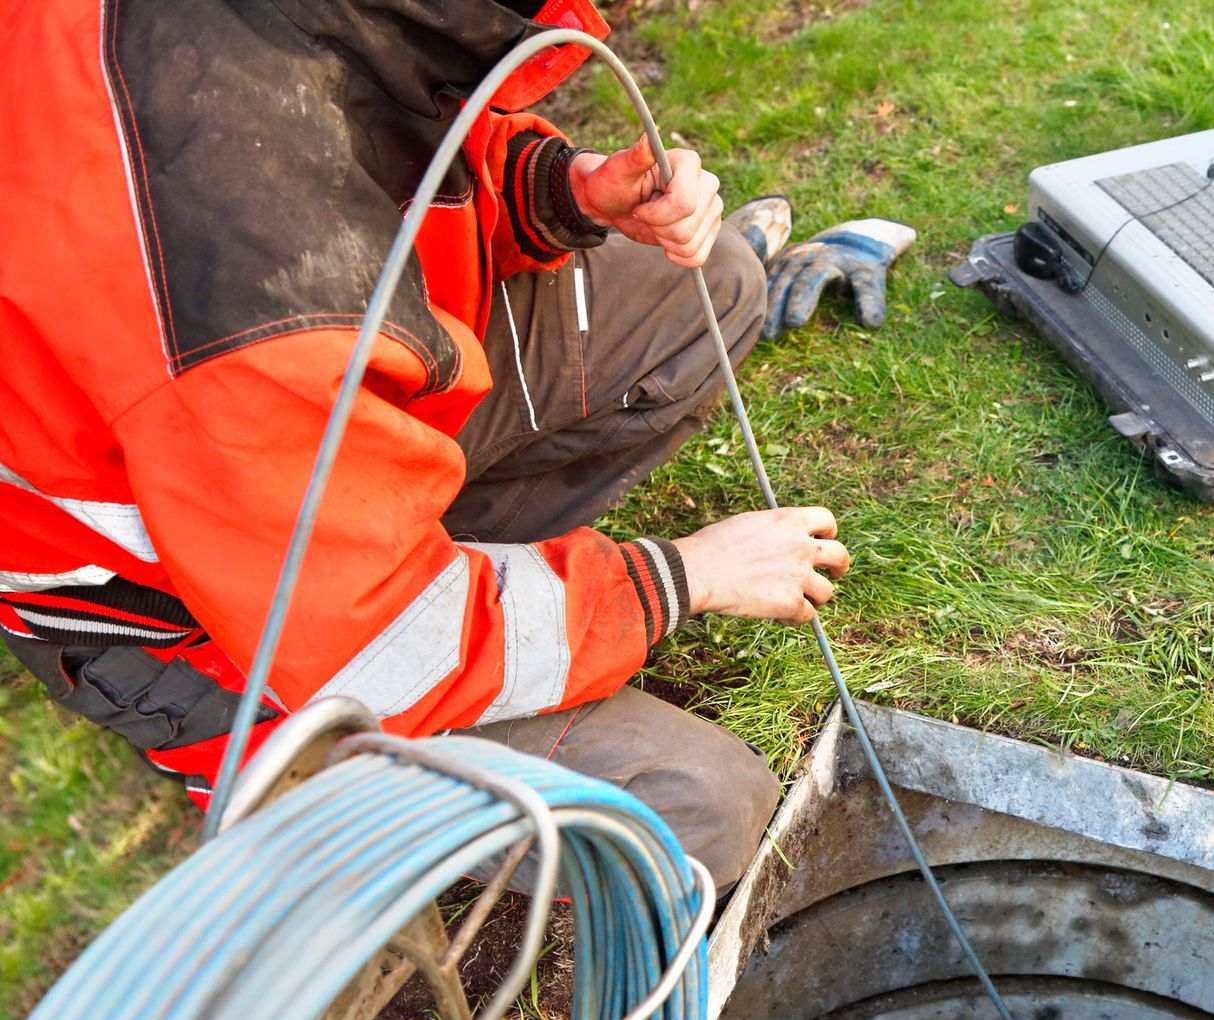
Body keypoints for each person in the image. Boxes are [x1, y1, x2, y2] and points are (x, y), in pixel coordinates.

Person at [0, 0, 911, 891]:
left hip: (313, 453)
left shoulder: (334, 31)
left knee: (712, 286)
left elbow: (401, 157)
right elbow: (382, 644)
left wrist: (563, 191)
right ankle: (312, 766)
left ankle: (449, 569)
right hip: (206, 609)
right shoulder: (232, 284)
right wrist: (683, 577)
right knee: (697, 809)